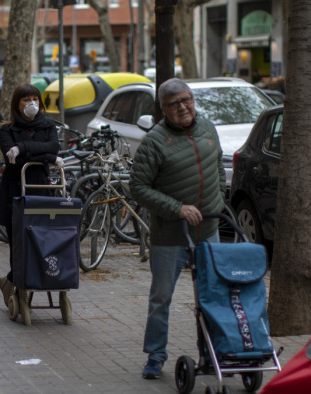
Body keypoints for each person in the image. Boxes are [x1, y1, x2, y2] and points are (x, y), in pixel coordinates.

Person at [129, 78, 226, 380]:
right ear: (163, 109)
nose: (182, 107)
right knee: (161, 298)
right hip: (170, 236)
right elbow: (137, 187)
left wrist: (219, 200)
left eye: (186, 99)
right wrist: (177, 208)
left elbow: (217, 168)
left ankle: (211, 352)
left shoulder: (208, 128)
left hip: (209, 230)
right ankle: (155, 357)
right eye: (173, 104)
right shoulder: (155, 142)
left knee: (213, 295)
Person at [0, 84, 62, 307]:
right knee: (18, 243)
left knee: (39, 242)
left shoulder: (48, 125)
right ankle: (17, 286)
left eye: (34, 98)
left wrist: (22, 147)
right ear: (16, 104)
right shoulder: (6, 129)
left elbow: (54, 148)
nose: (31, 103)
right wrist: (42, 154)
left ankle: (9, 281)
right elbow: (15, 159)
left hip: (41, 190)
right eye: (25, 100)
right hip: (15, 191)